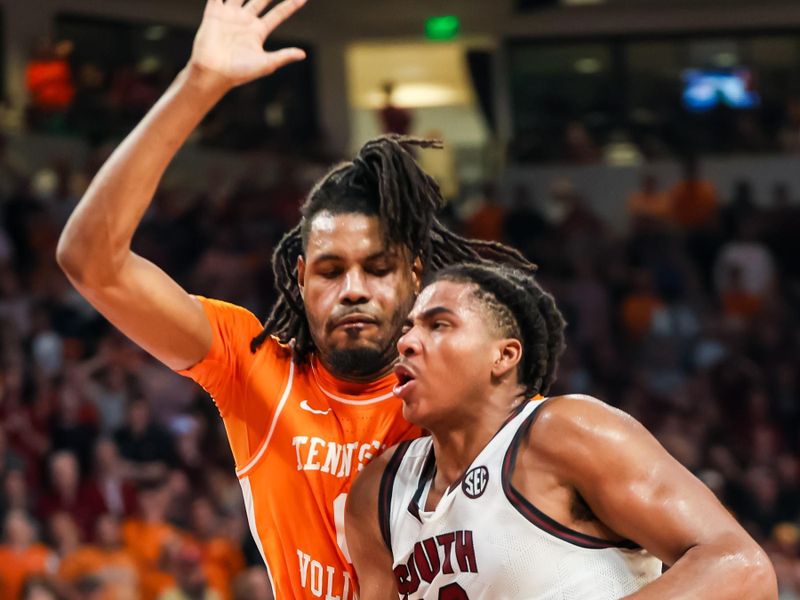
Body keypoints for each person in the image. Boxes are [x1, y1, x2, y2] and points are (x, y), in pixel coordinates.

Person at [55, 0, 531, 597]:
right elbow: (90, 262)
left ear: (414, 275)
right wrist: (198, 86)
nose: (354, 289)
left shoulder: (469, 391)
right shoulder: (250, 365)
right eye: (331, 270)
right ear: (300, 279)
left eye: (378, 269)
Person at [346, 263, 777, 599]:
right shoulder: (380, 491)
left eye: (438, 325)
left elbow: (740, 568)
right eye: (407, 328)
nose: (406, 342)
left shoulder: (563, 431)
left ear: (504, 356)